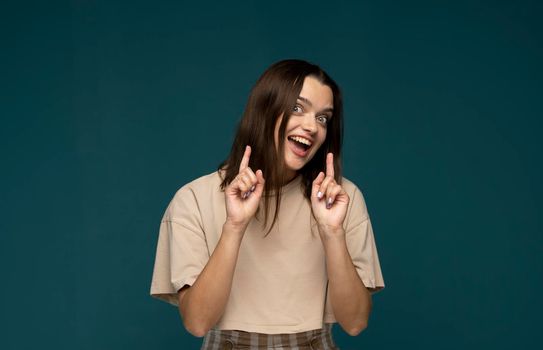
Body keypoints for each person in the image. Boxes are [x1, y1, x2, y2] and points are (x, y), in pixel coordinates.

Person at [150, 59, 385, 349]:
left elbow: (355, 323)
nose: (312, 126)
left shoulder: (341, 199)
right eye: (298, 107)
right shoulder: (194, 199)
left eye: (323, 118)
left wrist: (332, 232)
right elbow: (197, 322)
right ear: (265, 109)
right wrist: (234, 226)